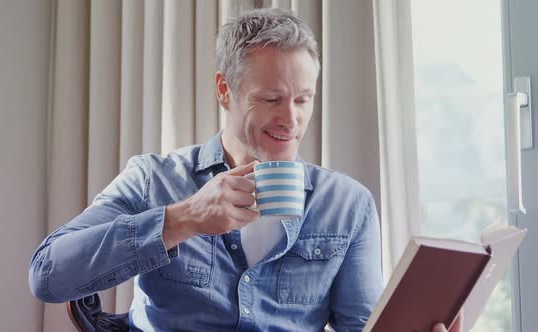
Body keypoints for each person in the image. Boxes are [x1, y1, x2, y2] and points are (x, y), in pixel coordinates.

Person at [29, 8, 462, 332]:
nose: (290, 120)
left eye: (303, 99)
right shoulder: (154, 179)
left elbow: (360, 324)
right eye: (272, 99)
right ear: (225, 90)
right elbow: (47, 274)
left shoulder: (347, 205)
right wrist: (183, 220)